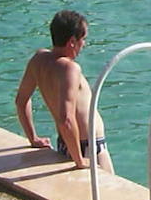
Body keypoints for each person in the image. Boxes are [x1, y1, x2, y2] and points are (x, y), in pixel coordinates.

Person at [14, 10, 113, 173]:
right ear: (72, 41)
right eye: (83, 39)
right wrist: (80, 161)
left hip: (66, 144)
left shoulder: (38, 60)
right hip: (88, 147)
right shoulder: (70, 69)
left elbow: (21, 100)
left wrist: (33, 138)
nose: (84, 44)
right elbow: (66, 119)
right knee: (110, 195)